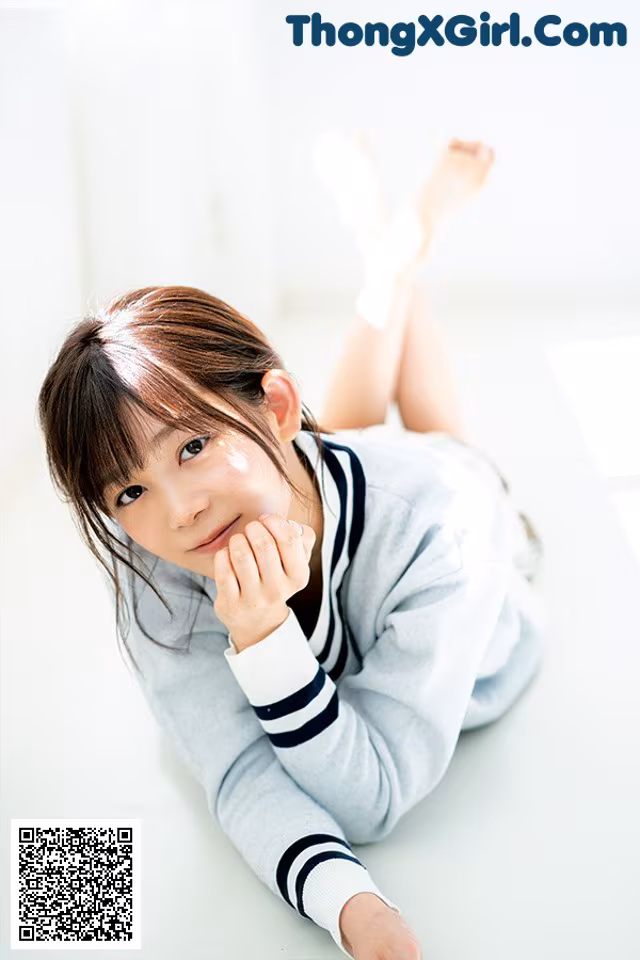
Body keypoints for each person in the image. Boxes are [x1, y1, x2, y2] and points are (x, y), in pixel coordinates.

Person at [37, 137, 544, 960]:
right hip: (312, 471)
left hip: (465, 512)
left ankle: (396, 255)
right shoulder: (154, 565)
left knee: (441, 439)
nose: (180, 511)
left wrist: (266, 644)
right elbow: (236, 769)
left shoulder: (435, 526)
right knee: (312, 454)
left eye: (191, 446)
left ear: (272, 403)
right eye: (128, 491)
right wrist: (352, 905)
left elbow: (372, 794)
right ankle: (391, 255)